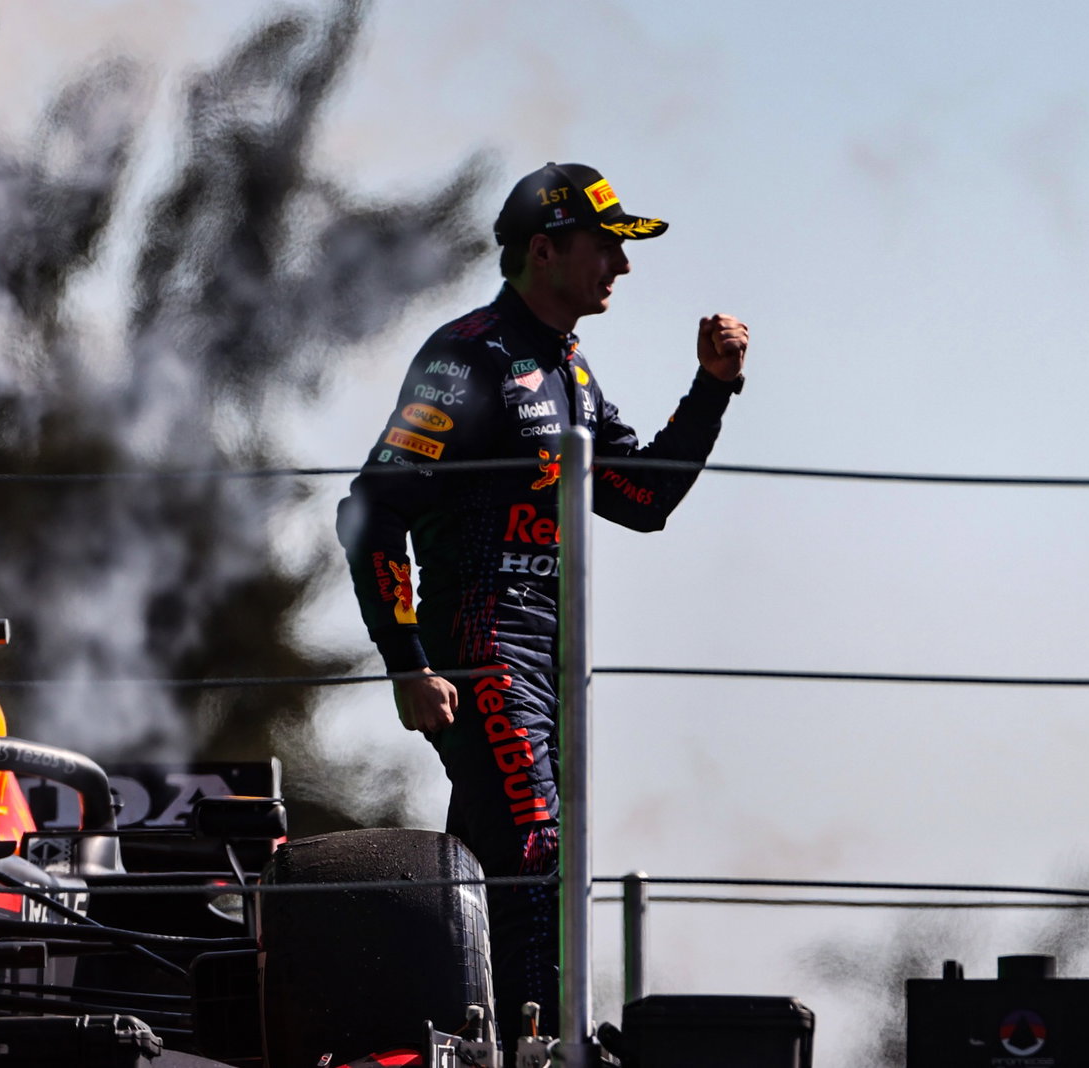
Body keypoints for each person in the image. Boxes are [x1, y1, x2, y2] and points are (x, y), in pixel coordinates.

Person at [335, 162, 747, 1048]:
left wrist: (711, 388)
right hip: (479, 645)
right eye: (606, 248)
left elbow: (643, 500)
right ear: (544, 249)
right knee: (538, 846)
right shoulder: (468, 356)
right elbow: (370, 513)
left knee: (494, 863)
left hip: (554, 660)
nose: (621, 269)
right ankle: (549, 1043)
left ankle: (463, 1034)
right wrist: (408, 664)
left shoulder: (572, 372)